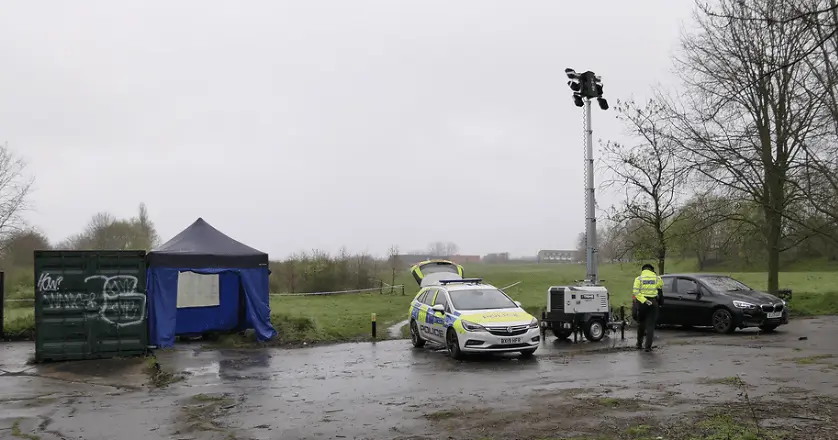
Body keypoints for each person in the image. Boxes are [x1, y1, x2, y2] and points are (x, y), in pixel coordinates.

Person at [632, 263, 664, 352]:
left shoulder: (639, 279)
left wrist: (644, 300)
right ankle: (648, 347)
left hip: (642, 303)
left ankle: (639, 344)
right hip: (653, 302)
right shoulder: (657, 278)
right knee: (650, 325)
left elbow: (635, 292)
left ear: (643, 270)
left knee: (641, 324)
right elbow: (660, 289)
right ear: (652, 270)